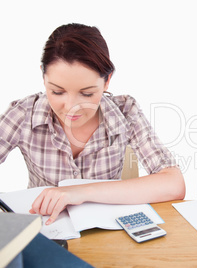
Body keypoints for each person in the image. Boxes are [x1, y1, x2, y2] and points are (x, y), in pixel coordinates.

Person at [0, 23, 185, 224]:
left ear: (107, 82)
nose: (71, 106)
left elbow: (173, 184)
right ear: (44, 78)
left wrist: (80, 192)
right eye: (57, 92)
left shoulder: (125, 111)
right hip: (45, 231)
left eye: (87, 94)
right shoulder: (24, 113)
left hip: (107, 233)